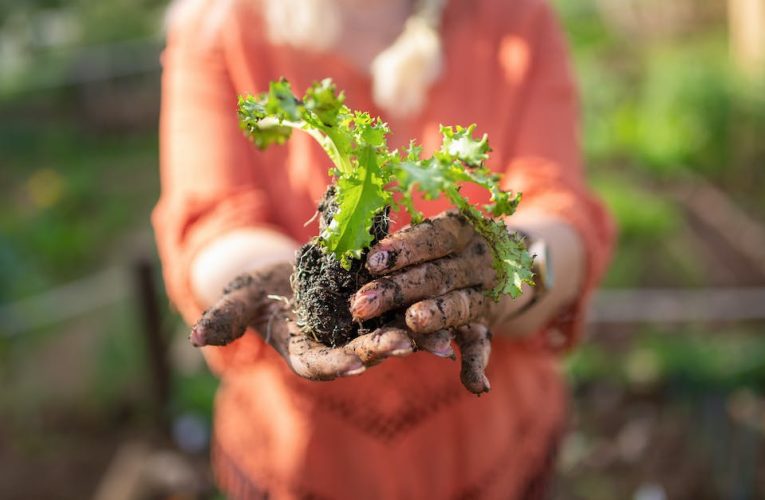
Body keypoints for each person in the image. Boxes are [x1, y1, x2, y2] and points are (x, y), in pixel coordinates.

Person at [153, 0, 615, 497]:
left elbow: (556, 215)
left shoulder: (517, 20)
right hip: (298, 460)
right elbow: (214, 222)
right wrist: (277, 280)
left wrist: (507, 274)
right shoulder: (218, 26)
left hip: (496, 452)